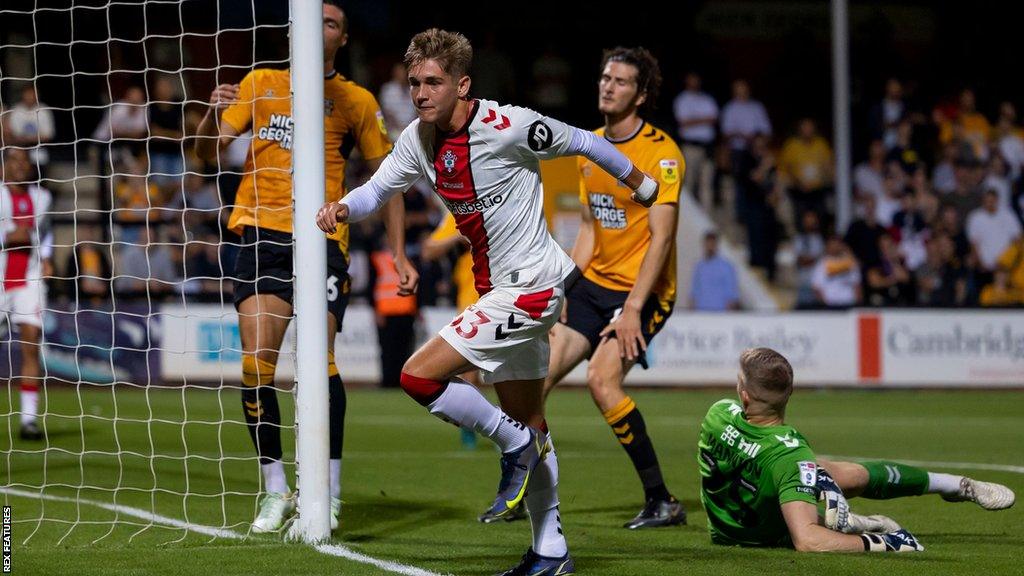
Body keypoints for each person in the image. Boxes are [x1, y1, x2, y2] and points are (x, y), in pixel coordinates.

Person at [316, 28, 661, 575]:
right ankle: (551, 550)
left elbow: (586, 142)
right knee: (533, 419)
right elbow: (379, 190)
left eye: (434, 82)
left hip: (535, 287)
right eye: (414, 83)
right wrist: (342, 207)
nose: (422, 93)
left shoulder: (508, 126)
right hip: (501, 290)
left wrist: (641, 185)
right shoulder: (418, 140)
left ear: (463, 84)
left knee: (418, 378)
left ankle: (514, 446)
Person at [194, 0, 417, 534]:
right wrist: (208, 111)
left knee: (322, 362)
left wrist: (399, 253)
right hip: (259, 233)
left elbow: (390, 181)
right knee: (256, 368)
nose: (321, 28)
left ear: (344, 39)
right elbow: (205, 154)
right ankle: (275, 490)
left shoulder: (356, 100)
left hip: (320, 238)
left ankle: (329, 492)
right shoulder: (261, 82)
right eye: (313, 21)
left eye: (333, 22)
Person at [510, 46, 687, 530]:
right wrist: (567, 286)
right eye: (605, 77)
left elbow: (663, 238)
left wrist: (632, 309)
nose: (608, 86)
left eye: (622, 81)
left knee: (601, 381)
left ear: (642, 94)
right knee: (532, 380)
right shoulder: (589, 146)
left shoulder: (662, 155)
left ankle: (662, 501)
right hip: (593, 286)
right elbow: (589, 227)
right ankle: (525, 492)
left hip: (643, 292)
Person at [699, 347, 1015, 552]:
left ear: (743, 396)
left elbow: (757, 449)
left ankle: (953, 485)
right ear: (790, 393)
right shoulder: (790, 454)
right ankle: (859, 521)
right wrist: (884, 543)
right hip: (760, 534)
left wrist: (812, 471)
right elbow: (808, 542)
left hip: (726, 524)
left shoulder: (717, 414)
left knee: (848, 474)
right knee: (832, 475)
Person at [0, 147, 52, 441]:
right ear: (3, 166)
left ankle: (29, 420)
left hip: (29, 278)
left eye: (24, 161)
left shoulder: (42, 198)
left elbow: (46, 234)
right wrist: (5, 237)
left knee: (31, 342)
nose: (19, 165)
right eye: (13, 160)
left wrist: (46, 256)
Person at [690, 232, 739, 311]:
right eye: (707, 244)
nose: (709, 247)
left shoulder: (726, 266)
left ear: (716, 245)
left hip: (720, 314)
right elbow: (694, 292)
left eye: (712, 245)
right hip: (701, 313)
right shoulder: (699, 267)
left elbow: (732, 295)